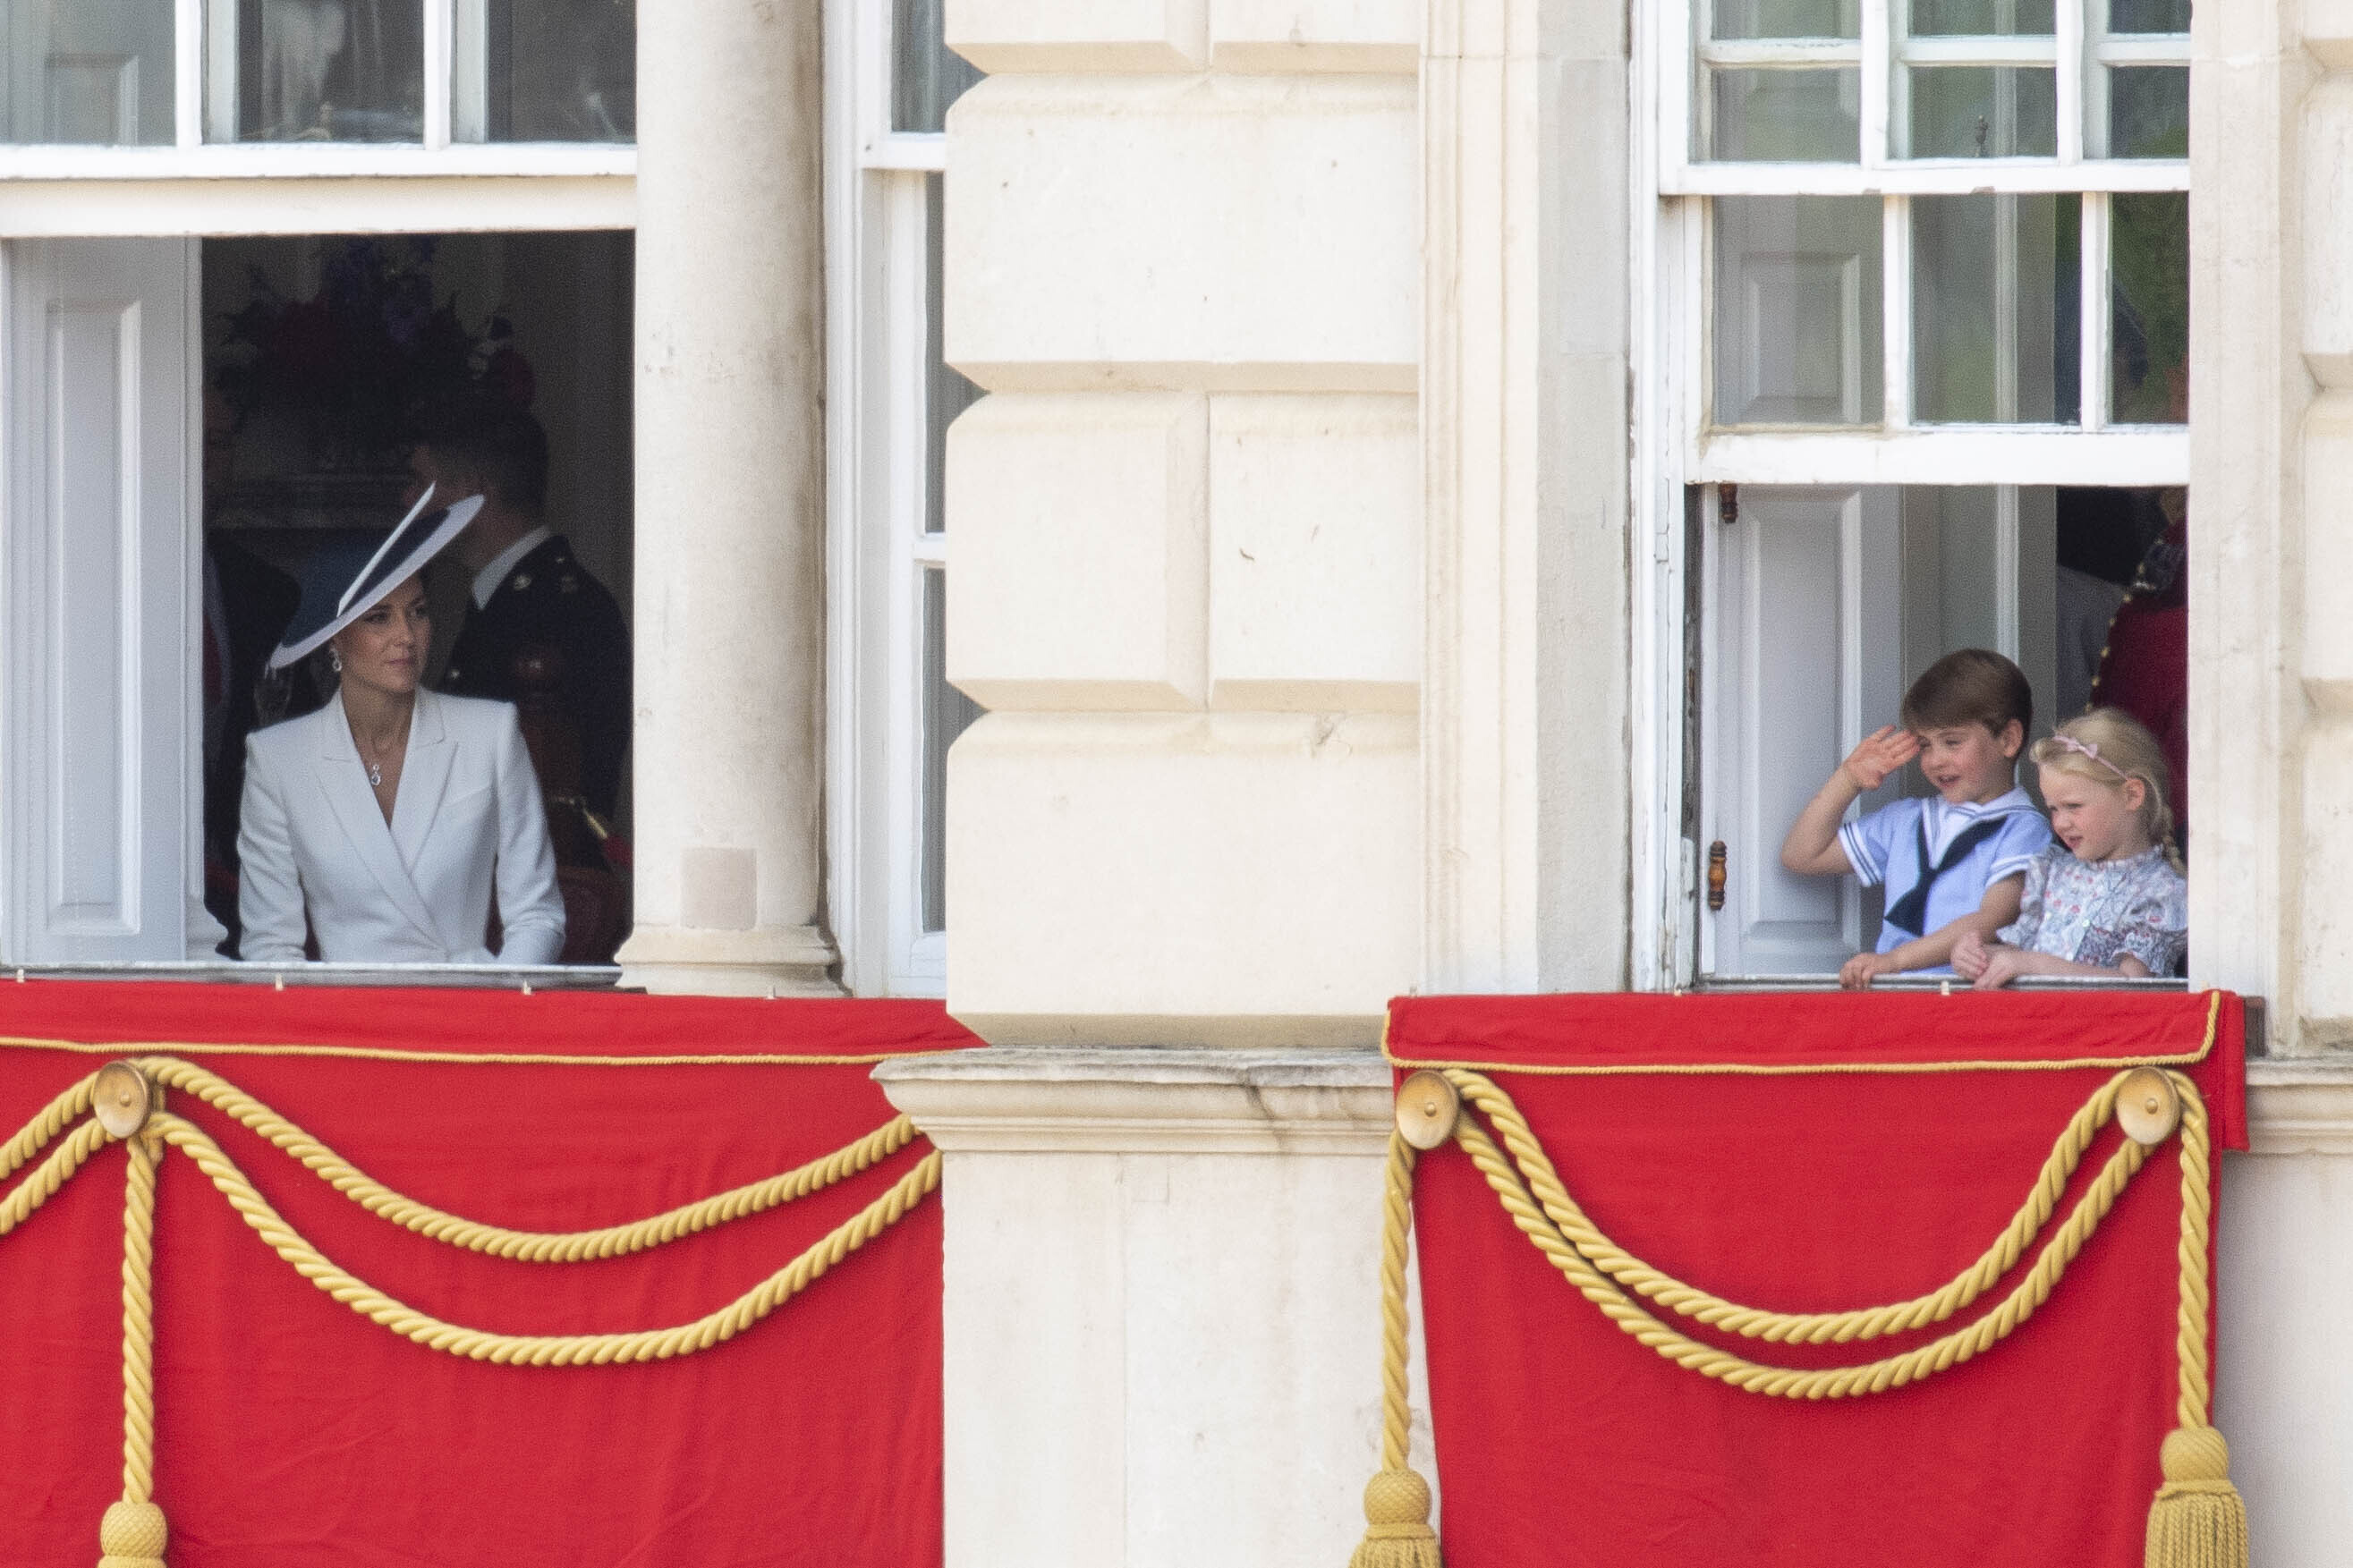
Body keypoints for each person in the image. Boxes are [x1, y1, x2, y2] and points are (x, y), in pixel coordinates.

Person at [237, 490, 567, 965]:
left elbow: (537, 914)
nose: (406, 637)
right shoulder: (279, 760)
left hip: (468, 1014)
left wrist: (497, 1009)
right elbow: (270, 945)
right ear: (334, 640)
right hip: (349, 1024)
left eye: (418, 611)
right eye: (379, 618)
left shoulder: (490, 734)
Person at [1780, 648, 2054, 989]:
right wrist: (1848, 780)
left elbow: (1993, 919)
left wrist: (1896, 961)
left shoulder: (2024, 829)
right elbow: (1801, 855)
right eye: (1925, 745)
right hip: (1892, 995)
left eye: (1952, 742)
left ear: (2008, 739)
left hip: (1966, 1000)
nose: (1935, 760)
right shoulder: (1905, 820)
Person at [408, 407, 631, 822]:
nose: (407, 500)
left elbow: (557, 800)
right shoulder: (515, 595)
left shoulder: (562, 610)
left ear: (474, 494)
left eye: (421, 482)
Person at [1952, 709, 2188, 988]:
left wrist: (2033, 965)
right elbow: (2020, 957)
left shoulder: (2161, 891)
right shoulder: (2053, 871)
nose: (2061, 823)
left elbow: (2133, 985)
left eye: (2073, 806)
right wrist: (1979, 957)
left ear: (2132, 795)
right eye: (2053, 808)